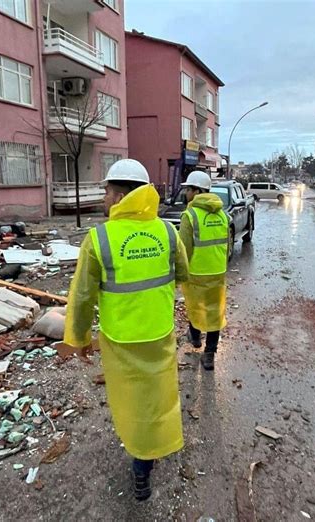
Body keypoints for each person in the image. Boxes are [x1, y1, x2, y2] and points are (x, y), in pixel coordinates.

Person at [62, 159, 189, 501]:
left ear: (118, 196)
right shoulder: (167, 230)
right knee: (158, 400)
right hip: (160, 333)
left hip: (121, 341)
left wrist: (79, 338)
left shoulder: (99, 238)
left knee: (132, 406)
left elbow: (83, 295)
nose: (103, 197)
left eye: (105, 191)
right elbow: (183, 274)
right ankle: (149, 457)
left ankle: (141, 469)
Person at [179, 170, 229, 370]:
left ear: (198, 191)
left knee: (195, 307)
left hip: (196, 273)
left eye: (188, 189)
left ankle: (196, 338)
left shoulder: (190, 215)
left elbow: (184, 250)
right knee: (214, 312)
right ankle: (209, 354)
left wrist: (180, 274)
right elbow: (225, 245)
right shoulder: (223, 215)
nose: (186, 194)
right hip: (218, 271)